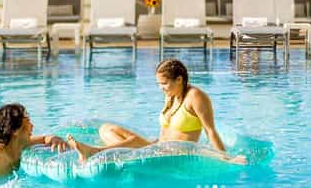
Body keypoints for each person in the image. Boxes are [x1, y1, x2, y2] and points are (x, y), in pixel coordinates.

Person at [67, 59, 247, 165]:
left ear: (179, 79)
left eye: (164, 83)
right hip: (160, 146)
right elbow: (166, 129)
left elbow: (210, 130)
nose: (161, 88)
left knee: (134, 141)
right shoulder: (171, 95)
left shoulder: (196, 97)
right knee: (106, 129)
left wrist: (227, 158)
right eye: (159, 84)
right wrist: (153, 142)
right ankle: (123, 152)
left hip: (175, 154)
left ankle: (96, 151)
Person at [0, 104, 68, 183]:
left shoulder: (18, 143)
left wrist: (55, 139)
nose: (32, 126)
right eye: (28, 122)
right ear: (14, 130)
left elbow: (45, 138)